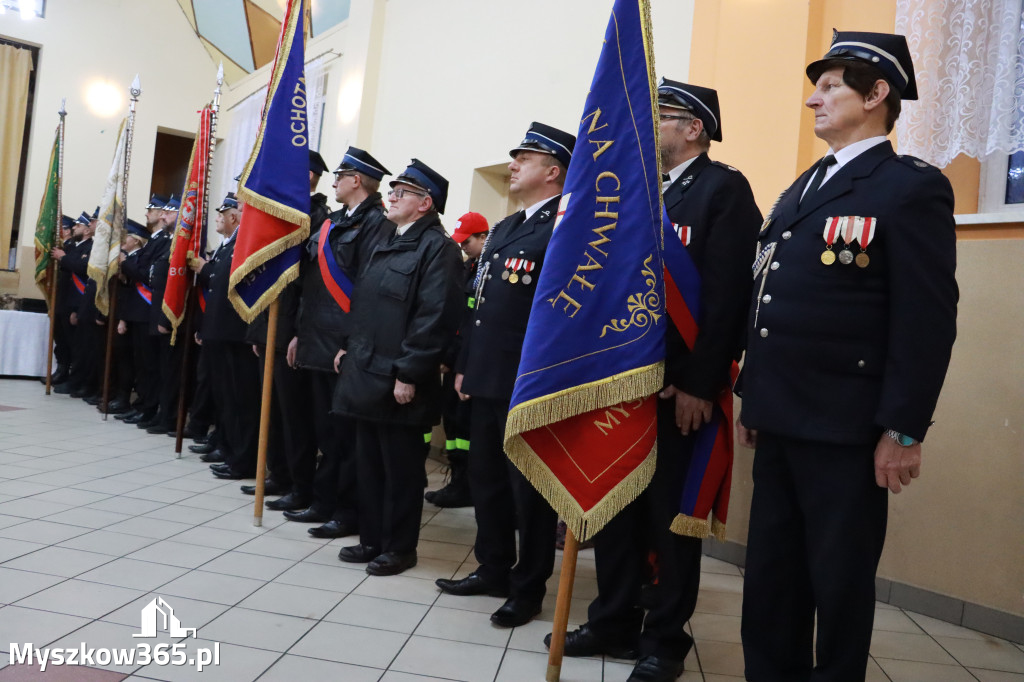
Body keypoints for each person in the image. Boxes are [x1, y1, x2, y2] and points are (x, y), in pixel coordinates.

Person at [736, 31, 958, 682]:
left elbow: (927, 320)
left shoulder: (907, 187)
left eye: (831, 85)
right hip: (778, 419)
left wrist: (905, 428)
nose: (814, 100)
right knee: (770, 582)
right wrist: (754, 394)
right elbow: (769, 296)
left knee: (837, 587)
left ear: (877, 93)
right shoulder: (804, 188)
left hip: (846, 429)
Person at [547, 82, 762, 682]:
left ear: (693, 128)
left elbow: (724, 298)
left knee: (670, 520)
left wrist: (700, 381)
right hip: (620, 384)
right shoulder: (637, 191)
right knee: (613, 507)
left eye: (659, 117)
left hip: (677, 391)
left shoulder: (723, 190)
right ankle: (613, 618)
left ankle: (664, 638)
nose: (648, 128)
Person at [439, 122, 576, 628]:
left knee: (530, 493)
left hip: (531, 381)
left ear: (553, 170)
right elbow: (481, 305)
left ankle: (528, 586)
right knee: (487, 480)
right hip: (488, 377)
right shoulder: (507, 227)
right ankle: (492, 567)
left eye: (526, 157)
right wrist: (466, 365)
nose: (514, 164)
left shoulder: (567, 227)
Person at [332, 158, 463, 576]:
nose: (391, 196)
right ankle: (372, 539)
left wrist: (409, 371)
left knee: (401, 470)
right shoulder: (388, 239)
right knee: (369, 464)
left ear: (425, 204)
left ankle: (399, 547)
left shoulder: (438, 249)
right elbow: (367, 303)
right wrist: (346, 347)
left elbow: (434, 317)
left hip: (400, 381)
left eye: (401, 193)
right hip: (367, 371)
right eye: (393, 190)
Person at [283, 146, 392, 539]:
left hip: (342, 347)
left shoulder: (376, 223)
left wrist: (351, 341)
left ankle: (343, 510)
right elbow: (312, 287)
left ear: (357, 181)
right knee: (322, 432)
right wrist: (298, 332)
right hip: (315, 341)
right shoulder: (332, 223)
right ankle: (321, 499)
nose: (334, 180)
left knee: (343, 438)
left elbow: (367, 289)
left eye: (341, 174)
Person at [192, 193, 262, 480]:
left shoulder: (249, 242)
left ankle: (241, 458)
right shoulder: (232, 244)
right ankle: (229, 449)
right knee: (226, 398)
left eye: (242, 208)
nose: (239, 212)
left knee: (241, 401)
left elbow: (223, 279)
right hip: (222, 331)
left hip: (237, 332)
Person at [425, 210, 490, 509]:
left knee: (465, 429)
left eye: (468, 241)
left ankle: (465, 486)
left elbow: (473, 323)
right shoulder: (467, 267)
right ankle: (457, 480)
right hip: (454, 360)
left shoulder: (487, 272)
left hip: (471, 363)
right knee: (452, 425)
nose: (463, 246)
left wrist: (455, 358)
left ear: (482, 237)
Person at [118, 195, 173, 425]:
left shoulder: (163, 242)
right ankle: (142, 403)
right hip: (140, 310)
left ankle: (149, 406)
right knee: (141, 362)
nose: (148, 213)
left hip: (148, 308)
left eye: (152, 209)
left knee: (150, 365)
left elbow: (145, 274)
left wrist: (124, 263)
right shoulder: (155, 239)